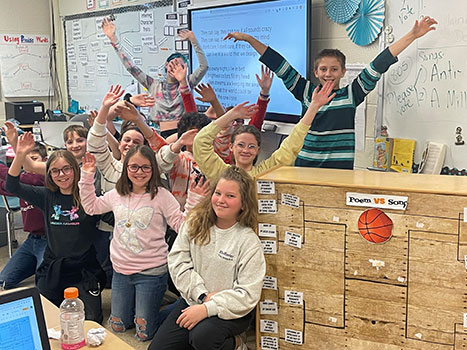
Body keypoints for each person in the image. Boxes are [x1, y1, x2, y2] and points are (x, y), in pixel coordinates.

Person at [224, 16, 438, 169]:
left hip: (339, 172)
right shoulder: (306, 91)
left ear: (343, 72)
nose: (328, 74)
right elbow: (279, 63)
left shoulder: (352, 94)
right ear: (316, 72)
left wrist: (412, 35)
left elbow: (379, 64)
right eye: (323, 69)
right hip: (305, 168)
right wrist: (249, 39)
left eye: (334, 69)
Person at [79, 146, 207, 341]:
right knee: (119, 326)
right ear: (126, 168)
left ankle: (181, 305)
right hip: (122, 271)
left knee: (144, 333)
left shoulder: (161, 196)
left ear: (153, 170)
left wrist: (194, 200)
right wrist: (87, 177)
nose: (140, 172)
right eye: (134, 167)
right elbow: (90, 207)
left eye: (145, 167)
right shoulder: (117, 194)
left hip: (151, 272)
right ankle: (144, 307)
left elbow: (182, 226)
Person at [149, 166, 265, 350]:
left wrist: (207, 308)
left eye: (230, 196)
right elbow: (178, 262)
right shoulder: (195, 223)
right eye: (218, 193)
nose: (221, 200)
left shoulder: (248, 241)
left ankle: (236, 344)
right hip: (194, 299)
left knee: (203, 336)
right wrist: (202, 296)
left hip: (231, 311)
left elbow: (247, 295)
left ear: (243, 204)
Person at [6, 133, 105, 323]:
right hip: (54, 268)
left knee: (91, 321)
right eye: (55, 171)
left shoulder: (88, 195)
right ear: (49, 175)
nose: (62, 175)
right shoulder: (46, 195)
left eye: (66, 169)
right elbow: (12, 185)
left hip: (83, 271)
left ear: (75, 170)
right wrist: (20, 155)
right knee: (43, 318)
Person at [193, 81, 336, 180]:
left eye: (251, 146)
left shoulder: (263, 173)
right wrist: (231, 115)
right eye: (240, 145)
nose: (245, 150)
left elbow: (291, 145)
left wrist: (314, 107)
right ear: (231, 147)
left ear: (257, 150)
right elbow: (200, 142)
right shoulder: (220, 172)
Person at [102, 18, 208, 124]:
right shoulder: (154, 85)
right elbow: (131, 67)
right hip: (156, 131)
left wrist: (193, 40)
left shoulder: (186, 83)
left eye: (179, 66)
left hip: (178, 133)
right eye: (173, 63)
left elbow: (204, 67)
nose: (175, 68)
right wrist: (113, 39)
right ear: (166, 65)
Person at [0, 132, 47, 290]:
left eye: (33, 160)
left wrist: (18, 151)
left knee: (45, 285)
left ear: (44, 162)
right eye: (24, 161)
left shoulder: (43, 179)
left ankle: (43, 265)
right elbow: (6, 185)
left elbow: (13, 178)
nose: (28, 167)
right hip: (31, 240)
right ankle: (37, 264)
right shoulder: (23, 181)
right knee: (5, 280)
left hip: (48, 240)